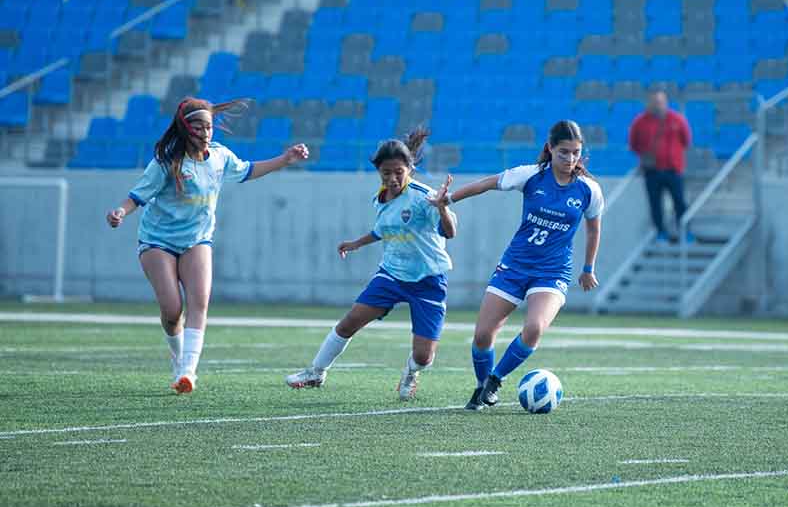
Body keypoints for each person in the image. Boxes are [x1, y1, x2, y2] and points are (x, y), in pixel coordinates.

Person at [106, 97, 309, 394]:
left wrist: (284, 159)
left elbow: (248, 170)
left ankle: (187, 372)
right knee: (173, 310)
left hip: (197, 239)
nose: (205, 132)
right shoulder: (167, 163)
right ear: (185, 128)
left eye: (209, 126)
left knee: (199, 302)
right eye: (199, 126)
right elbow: (137, 196)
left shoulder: (219, 157)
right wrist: (120, 212)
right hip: (157, 241)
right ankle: (177, 357)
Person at [437, 120, 604, 411]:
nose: (570, 159)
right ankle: (481, 388)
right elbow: (487, 184)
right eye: (564, 152)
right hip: (514, 266)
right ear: (550, 149)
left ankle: (495, 381)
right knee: (482, 335)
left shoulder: (589, 190)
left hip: (552, 272)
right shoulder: (530, 176)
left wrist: (588, 268)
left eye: (576, 153)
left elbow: (593, 229)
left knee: (534, 327)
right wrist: (448, 199)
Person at [285, 128, 457, 401]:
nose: (392, 179)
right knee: (350, 321)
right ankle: (316, 372)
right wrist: (356, 243)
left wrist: (442, 207)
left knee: (424, 357)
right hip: (391, 274)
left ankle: (412, 372)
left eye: (398, 172)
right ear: (378, 172)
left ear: (409, 168)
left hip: (428, 280)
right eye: (386, 173)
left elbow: (449, 233)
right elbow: (384, 230)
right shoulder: (380, 198)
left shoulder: (425, 197)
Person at [628, 89, 692, 242]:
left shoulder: (677, 120)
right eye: (655, 102)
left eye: (661, 102)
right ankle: (660, 232)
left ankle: (685, 231)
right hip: (652, 171)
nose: (658, 105)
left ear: (666, 103)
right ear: (649, 103)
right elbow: (633, 143)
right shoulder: (640, 122)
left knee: (679, 201)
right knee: (655, 204)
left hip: (673, 169)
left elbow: (686, 140)